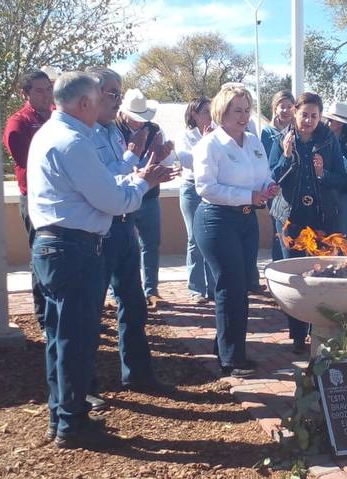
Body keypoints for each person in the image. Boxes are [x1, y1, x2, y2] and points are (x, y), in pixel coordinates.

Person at [28, 72, 171, 448]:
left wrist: (135, 179)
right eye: (102, 99)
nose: (111, 105)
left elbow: (104, 187)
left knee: (61, 338)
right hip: (73, 249)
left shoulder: (52, 133)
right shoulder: (74, 142)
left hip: (57, 246)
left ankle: (61, 416)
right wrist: (144, 182)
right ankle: (71, 424)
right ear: (84, 103)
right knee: (75, 340)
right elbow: (112, 200)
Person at [87, 66, 174, 399]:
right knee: (90, 310)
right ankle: (84, 387)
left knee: (134, 305)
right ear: (93, 95)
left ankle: (137, 374)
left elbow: (121, 174)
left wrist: (148, 164)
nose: (117, 99)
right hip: (100, 229)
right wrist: (136, 160)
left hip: (124, 225)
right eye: (113, 93)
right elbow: (105, 182)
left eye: (119, 93)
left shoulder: (111, 132)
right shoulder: (85, 134)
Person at [192, 84, 278, 378]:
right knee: (230, 287)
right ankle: (231, 359)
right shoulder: (209, 144)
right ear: (222, 111)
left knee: (241, 286)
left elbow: (263, 175)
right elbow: (206, 188)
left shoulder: (253, 141)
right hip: (216, 220)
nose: (243, 116)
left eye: (246, 110)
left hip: (246, 220)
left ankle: (226, 346)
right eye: (237, 110)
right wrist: (249, 196)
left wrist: (268, 187)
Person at [269, 93, 346, 352]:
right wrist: (286, 156)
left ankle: (319, 329)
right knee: (295, 276)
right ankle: (298, 334)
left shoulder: (329, 140)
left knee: (321, 273)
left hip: (322, 217)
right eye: (304, 115)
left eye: (314, 116)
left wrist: (323, 173)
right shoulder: (281, 139)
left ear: (320, 117)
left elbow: (343, 179)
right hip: (290, 218)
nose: (309, 120)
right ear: (295, 112)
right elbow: (272, 179)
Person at [3, 69, 53, 330]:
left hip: (63, 199)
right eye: (40, 90)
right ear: (25, 94)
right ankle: (45, 318)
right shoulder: (18, 123)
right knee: (41, 255)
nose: (46, 95)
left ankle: (66, 313)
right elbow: (26, 161)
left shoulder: (58, 115)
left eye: (49, 89)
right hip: (35, 200)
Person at [116, 88, 175, 308]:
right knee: (122, 246)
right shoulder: (113, 130)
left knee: (151, 243)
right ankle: (119, 292)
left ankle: (151, 290)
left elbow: (165, 161)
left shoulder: (154, 130)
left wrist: (163, 155)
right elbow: (116, 167)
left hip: (149, 195)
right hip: (123, 196)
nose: (140, 122)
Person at [176, 96, 216, 304]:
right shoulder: (186, 136)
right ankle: (196, 289)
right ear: (194, 114)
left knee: (211, 237)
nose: (210, 116)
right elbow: (187, 160)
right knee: (194, 238)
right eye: (206, 112)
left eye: (212, 111)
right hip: (191, 189)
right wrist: (204, 143)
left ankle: (214, 288)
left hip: (211, 188)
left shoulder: (217, 132)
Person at [261, 90, 296, 262]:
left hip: (294, 189)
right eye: (282, 106)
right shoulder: (268, 132)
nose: (286, 110)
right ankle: (278, 265)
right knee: (279, 230)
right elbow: (266, 161)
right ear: (275, 108)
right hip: (275, 187)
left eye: (290, 106)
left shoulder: (298, 129)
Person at [323, 101, 347, 245]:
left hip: (346, 192)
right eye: (329, 119)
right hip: (326, 190)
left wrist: (336, 151)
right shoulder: (321, 135)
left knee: (343, 232)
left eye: (332, 120)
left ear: (341, 123)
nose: (328, 122)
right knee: (325, 232)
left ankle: (343, 258)